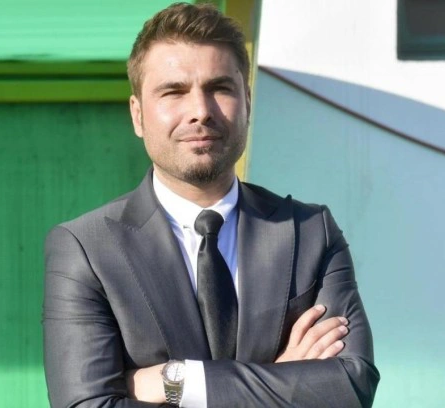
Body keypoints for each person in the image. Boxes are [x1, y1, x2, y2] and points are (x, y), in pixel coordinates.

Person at [43, 3, 379, 407]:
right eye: (174, 91)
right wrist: (284, 380)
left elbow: (351, 386)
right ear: (137, 115)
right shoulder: (86, 249)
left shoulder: (310, 232)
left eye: (219, 88)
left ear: (247, 102)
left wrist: (177, 381)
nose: (200, 111)